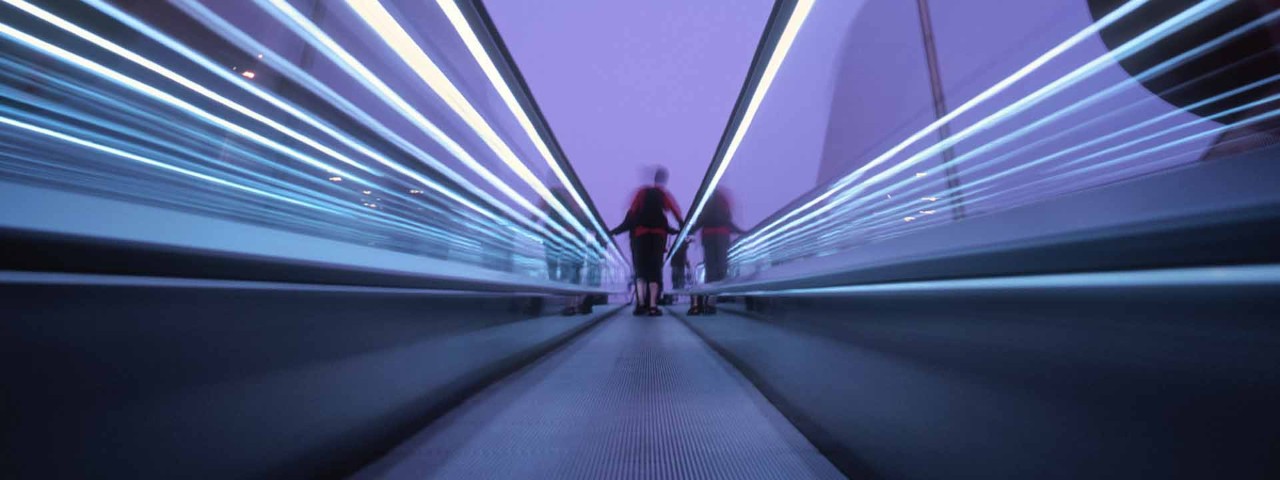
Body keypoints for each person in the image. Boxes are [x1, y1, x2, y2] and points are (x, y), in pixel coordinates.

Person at [610, 167, 683, 316]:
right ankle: (653, 306)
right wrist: (682, 225)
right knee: (655, 270)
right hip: (658, 235)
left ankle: (640, 304)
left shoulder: (641, 193)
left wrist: (613, 231)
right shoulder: (663, 194)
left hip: (640, 235)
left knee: (641, 271)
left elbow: (631, 214)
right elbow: (675, 210)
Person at [687, 188, 742, 315]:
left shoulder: (706, 202)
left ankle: (708, 300)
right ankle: (711, 302)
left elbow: (701, 219)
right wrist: (740, 231)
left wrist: (690, 231)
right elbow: (728, 221)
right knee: (721, 270)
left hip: (708, 236)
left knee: (710, 269)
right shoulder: (724, 201)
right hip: (722, 236)